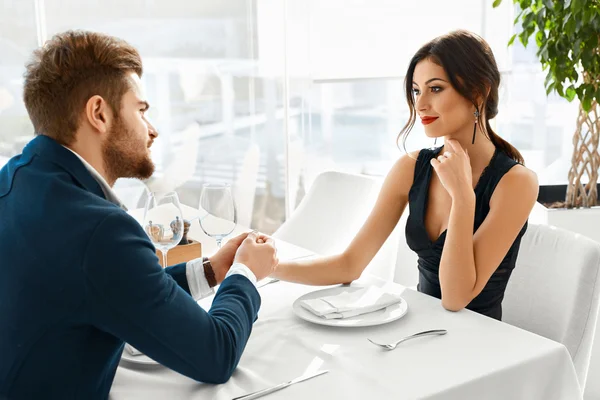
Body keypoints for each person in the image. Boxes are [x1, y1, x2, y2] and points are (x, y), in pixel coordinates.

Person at [0, 30, 278, 399]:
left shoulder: (16, 177)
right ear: (99, 113)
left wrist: (212, 270)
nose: (153, 130)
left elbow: (120, 287)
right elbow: (216, 355)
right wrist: (246, 274)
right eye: (142, 110)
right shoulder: (100, 231)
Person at [273, 30, 538, 321]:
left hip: (482, 343)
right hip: (417, 329)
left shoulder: (516, 183)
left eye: (435, 88)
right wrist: (270, 267)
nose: (420, 104)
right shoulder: (411, 168)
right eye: (415, 90)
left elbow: (455, 297)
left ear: (478, 92)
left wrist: (463, 197)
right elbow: (349, 264)